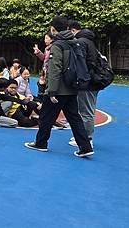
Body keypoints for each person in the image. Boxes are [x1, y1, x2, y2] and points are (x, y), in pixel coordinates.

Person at [25, 16, 94, 158]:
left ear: (53, 29)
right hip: (72, 87)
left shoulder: (58, 45)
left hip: (59, 89)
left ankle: (41, 143)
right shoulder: (75, 42)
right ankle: (85, 146)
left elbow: (55, 69)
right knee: (75, 118)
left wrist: (51, 91)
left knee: (46, 116)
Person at [70, 20, 99, 147]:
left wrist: (79, 80)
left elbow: (80, 64)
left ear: (72, 30)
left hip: (86, 82)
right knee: (88, 110)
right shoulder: (90, 42)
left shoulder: (80, 42)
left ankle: (86, 139)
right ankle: (83, 136)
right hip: (93, 81)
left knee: (86, 111)